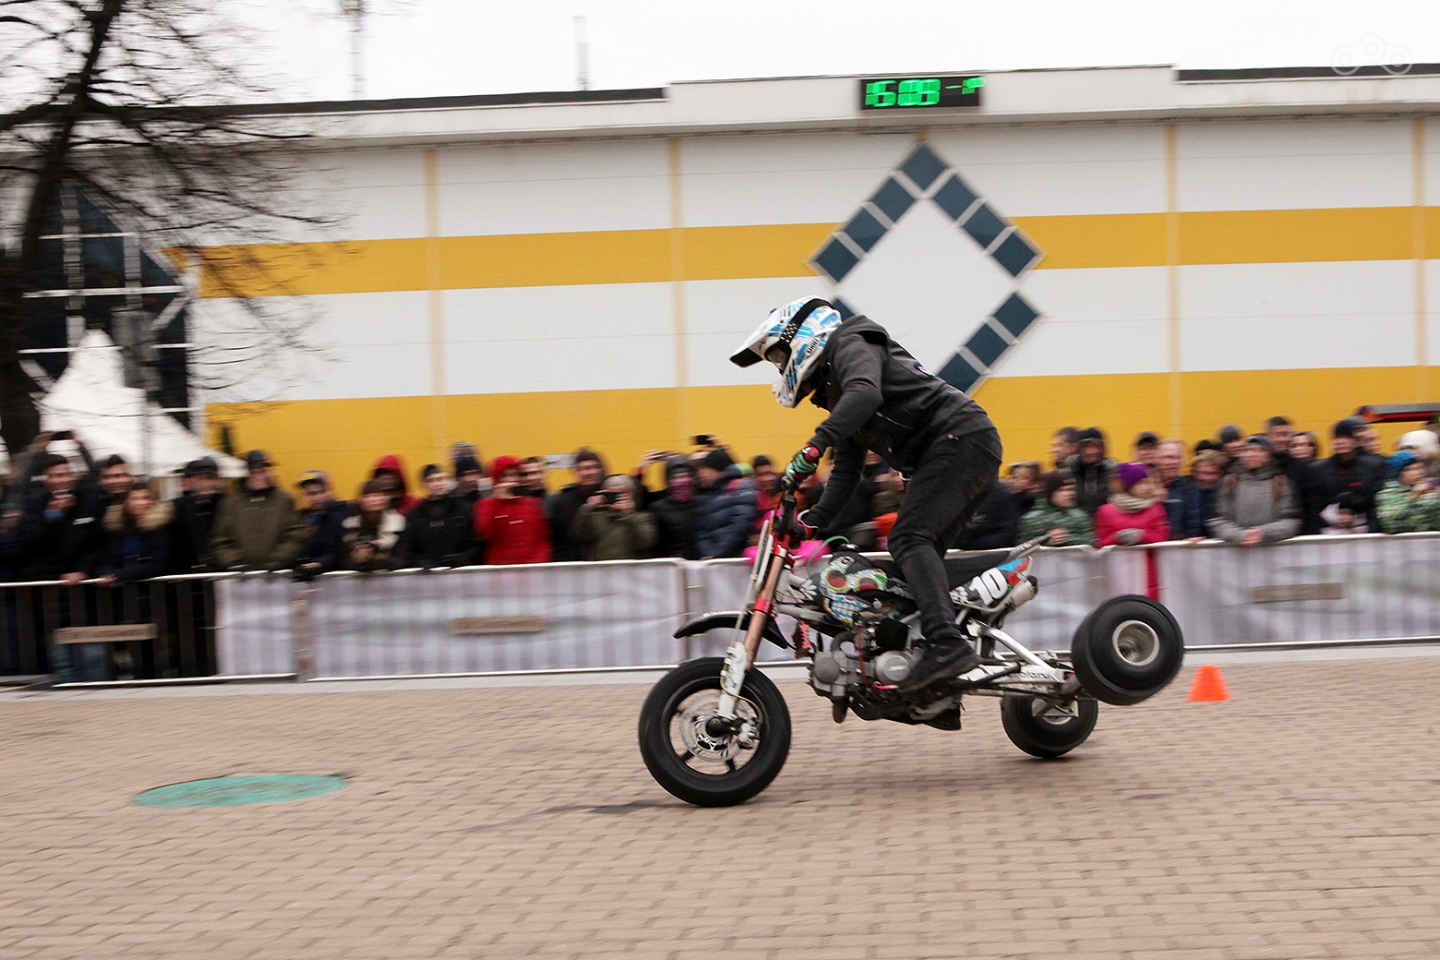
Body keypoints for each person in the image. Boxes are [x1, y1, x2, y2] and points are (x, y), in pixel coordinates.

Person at [730, 296, 1001, 691]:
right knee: (910, 562)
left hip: (961, 439)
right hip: (955, 449)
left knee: (909, 539)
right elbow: (847, 472)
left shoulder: (852, 342)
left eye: (778, 355)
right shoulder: (840, 393)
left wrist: (814, 445)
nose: (780, 366)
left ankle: (947, 644)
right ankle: (927, 660)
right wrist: (812, 524)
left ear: (800, 335)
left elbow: (866, 394)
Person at [210, 450, 305, 571]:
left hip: (277, 574)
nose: (264, 476)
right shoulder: (230, 503)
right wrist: (233, 562)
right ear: (248, 475)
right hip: (242, 576)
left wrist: (279, 559)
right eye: (258, 472)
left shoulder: (284, 500)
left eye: (265, 471)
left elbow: (295, 535)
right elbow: (220, 539)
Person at [1208, 436, 1300, 546]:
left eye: (1259, 450)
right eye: (1246, 450)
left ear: (1268, 455)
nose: (1251, 454)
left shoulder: (1282, 484)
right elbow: (1217, 520)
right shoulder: (1227, 483)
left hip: (1273, 553)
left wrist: (1264, 532)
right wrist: (1240, 535)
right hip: (1235, 553)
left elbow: (1292, 521)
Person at [394, 465, 480, 568]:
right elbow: (407, 545)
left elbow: (475, 542)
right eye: (431, 481)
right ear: (424, 485)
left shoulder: (464, 508)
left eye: (440, 479)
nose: (437, 484)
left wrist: (463, 558)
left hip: (460, 572)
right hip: (427, 573)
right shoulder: (416, 513)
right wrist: (418, 562)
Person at [476, 455, 551, 564]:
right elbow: (486, 533)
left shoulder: (533, 503)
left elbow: (542, 539)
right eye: (505, 476)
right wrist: (499, 502)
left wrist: (538, 562)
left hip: (531, 567)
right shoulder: (486, 505)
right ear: (498, 478)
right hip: (502, 568)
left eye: (514, 474)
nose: (511, 480)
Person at [1314, 418, 1386, 531]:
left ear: (1356, 441)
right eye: (1337, 437)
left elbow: (1376, 504)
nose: (1340, 442)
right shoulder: (1319, 470)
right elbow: (1315, 506)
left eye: (1346, 437)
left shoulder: (1373, 467)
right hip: (1329, 531)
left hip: (1366, 531)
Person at [92, 485, 172, 583]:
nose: (140, 503)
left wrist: (118, 575)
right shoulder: (118, 528)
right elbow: (109, 558)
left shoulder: (163, 527)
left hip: (156, 588)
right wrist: (105, 573)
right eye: (135, 499)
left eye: (146, 498)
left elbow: (159, 564)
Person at [569, 475, 658, 561]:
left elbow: (645, 543)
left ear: (633, 495)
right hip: (602, 570)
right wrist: (588, 508)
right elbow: (578, 534)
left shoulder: (642, 518)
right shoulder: (596, 517)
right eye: (613, 493)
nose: (618, 497)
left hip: (631, 570)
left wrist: (628, 515)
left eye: (623, 493)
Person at [693, 448, 760, 559]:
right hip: (715, 562)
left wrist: (716, 555)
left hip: (734, 560)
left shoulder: (741, 487)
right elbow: (701, 529)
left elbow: (741, 523)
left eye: (704, 468)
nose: (700, 474)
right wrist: (708, 554)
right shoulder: (711, 494)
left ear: (716, 469)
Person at [954, 460, 1038, 550]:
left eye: (1023, 478)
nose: (1016, 481)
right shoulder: (996, 494)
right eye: (1014, 477)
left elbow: (1006, 533)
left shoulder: (1003, 497)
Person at [546, 448, 605, 562]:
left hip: (607, 565)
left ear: (601, 470)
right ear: (575, 472)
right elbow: (558, 539)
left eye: (593, 467)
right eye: (582, 469)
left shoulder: (610, 496)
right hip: (574, 566)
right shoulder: (563, 501)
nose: (588, 473)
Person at [169, 457, 222, 573]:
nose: (209, 483)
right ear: (192, 481)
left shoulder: (225, 504)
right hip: (188, 574)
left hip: (220, 571)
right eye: (203, 478)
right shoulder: (177, 507)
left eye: (212, 478)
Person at [1018, 470, 1094, 547]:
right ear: (1050, 492)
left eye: (1071, 489)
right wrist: (1045, 540)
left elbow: (1092, 543)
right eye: (1061, 490)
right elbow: (1022, 548)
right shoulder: (1031, 519)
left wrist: (1068, 538)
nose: (1069, 494)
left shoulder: (1080, 516)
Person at [341, 479, 405, 571]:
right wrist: (357, 559)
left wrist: (379, 555)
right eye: (368, 496)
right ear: (360, 500)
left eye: (378, 495)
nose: (374, 500)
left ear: (386, 498)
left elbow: (402, 558)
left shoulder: (398, 523)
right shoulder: (349, 525)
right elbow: (342, 561)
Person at [295, 470, 348, 576]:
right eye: (310, 494)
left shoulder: (340, 517)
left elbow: (338, 552)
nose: (316, 498)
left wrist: (319, 564)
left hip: (330, 578)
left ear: (329, 492)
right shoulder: (299, 518)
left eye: (320, 492)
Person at [1375, 451, 1440, 534]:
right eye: (1411, 469)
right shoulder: (1386, 495)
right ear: (1399, 472)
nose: (1418, 473)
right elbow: (1391, 525)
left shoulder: (1429, 494)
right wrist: (1413, 497)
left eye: (1420, 468)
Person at [649, 457, 699, 559]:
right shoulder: (658, 508)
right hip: (671, 563)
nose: (682, 481)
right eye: (676, 478)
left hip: (699, 563)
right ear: (668, 481)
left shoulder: (704, 503)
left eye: (686, 476)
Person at [1168, 449, 1225, 539]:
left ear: (1221, 474)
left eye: (1211, 473)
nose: (1205, 477)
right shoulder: (1182, 489)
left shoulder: (1227, 492)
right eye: (1201, 472)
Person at [1065, 427, 1114, 516]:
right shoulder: (1068, 470)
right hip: (1076, 524)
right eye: (1087, 446)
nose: (1093, 451)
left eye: (1097, 446)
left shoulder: (1112, 471)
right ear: (1079, 449)